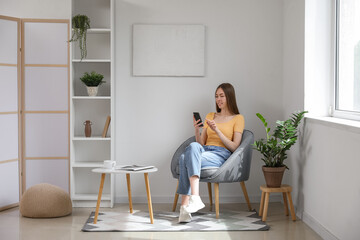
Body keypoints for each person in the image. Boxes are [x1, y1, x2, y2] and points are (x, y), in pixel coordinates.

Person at [177, 83, 245, 223]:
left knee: (184, 158)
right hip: (204, 151)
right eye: (216, 96)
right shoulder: (210, 116)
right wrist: (197, 130)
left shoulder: (238, 118)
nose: (218, 99)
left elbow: (234, 147)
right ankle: (195, 198)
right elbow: (201, 144)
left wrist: (217, 131)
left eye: (222, 96)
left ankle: (184, 208)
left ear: (229, 97)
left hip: (221, 154)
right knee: (193, 146)